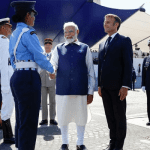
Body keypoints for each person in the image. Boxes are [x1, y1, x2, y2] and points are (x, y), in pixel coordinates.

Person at [9, 1, 55, 150]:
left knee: (21, 118)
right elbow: (40, 57)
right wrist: (52, 70)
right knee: (29, 121)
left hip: (17, 77)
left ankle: (20, 146)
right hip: (28, 78)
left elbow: (12, 58)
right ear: (28, 15)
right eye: (33, 14)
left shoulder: (14, 33)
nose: (34, 17)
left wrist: (19, 69)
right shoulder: (29, 33)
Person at [51, 22, 95, 150]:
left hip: (80, 89)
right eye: (65, 31)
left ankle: (80, 143)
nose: (67, 34)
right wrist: (52, 71)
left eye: (70, 31)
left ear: (77, 32)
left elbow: (90, 71)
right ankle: (64, 142)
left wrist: (90, 91)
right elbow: (53, 64)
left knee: (81, 117)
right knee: (63, 117)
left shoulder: (85, 48)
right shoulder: (58, 48)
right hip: (63, 89)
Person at [98, 14, 133, 150]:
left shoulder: (124, 41)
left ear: (116, 25)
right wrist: (100, 85)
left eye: (108, 22)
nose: (105, 24)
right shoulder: (102, 43)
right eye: (104, 22)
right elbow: (101, 67)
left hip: (118, 88)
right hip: (105, 88)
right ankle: (112, 143)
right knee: (110, 117)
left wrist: (125, 85)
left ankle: (119, 146)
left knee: (119, 118)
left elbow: (128, 64)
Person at [0, 18, 15, 144]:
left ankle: (8, 134)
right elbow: (3, 65)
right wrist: (5, 83)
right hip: (6, 81)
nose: (10, 28)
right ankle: (8, 136)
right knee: (7, 107)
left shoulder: (6, 41)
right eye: (8, 26)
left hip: (8, 79)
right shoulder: (3, 42)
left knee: (7, 106)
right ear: (3, 28)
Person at [39, 38, 58, 126]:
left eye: (49, 44)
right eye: (46, 44)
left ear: (51, 45)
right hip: (42, 81)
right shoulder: (41, 55)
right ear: (44, 45)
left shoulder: (55, 56)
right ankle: (44, 119)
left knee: (52, 101)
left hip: (52, 81)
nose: (47, 46)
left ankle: (53, 118)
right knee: (43, 101)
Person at [141, 39, 150, 126]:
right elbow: (143, 73)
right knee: (149, 103)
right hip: (148, 85)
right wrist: (143, 84)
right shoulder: (146, 59)